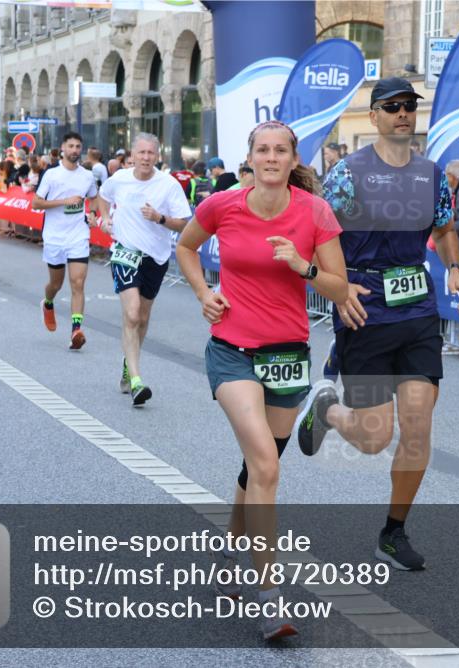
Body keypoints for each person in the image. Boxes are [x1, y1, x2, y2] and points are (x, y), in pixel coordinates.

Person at [176, 120, 347, 641]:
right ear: (249, 158)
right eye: (262, 150)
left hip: (287, 356)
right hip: (232, 351)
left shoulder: (314, 212)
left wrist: (302, 265)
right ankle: (269, 597)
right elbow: (186, 247)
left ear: (293, 159)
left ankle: (230, 552)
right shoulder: (222, 204)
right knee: (267, 466)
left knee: (256, 468)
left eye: (280, 150)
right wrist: (204, 293)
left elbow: (340, 289)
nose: (271, 158)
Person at [297, 77, 459, 572]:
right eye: (392, 106)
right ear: (373, 116)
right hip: (366, 309)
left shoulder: (431, 174)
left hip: (417, 311)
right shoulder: (348, 173)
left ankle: (393, 533)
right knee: (374, 437)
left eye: (409, 106)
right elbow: (319, 234)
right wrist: (338, 289)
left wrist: (455, 269)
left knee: (418, 427)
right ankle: (328, 410)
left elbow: (444, 228)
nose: (403, 113)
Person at [98, 133, 193, 406]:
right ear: (133, 155)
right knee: (132, 312)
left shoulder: (168, 185)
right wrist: (105, 219)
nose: (146, 157)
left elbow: (184, 223)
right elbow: (103, 197)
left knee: (143, 315)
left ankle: (129, 363)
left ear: (158, 156)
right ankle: (137, 380)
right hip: (125, 252)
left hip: (156, 257)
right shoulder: (120, 179)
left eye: (151, 153)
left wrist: (159, 218)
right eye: (141, 152)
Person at [32, 132, 104, 351]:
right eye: (71, 146)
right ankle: (48, 303)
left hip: (78, 235)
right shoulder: (51, 175)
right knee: (56, 284)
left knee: (78, 283)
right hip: (54, 236)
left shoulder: (87, 176)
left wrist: (92, 213)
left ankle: (76, 330)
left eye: (78, 146)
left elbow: (94, 197)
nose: (74, 150)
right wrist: (64, 201)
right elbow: (36, 203)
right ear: (63, 148)